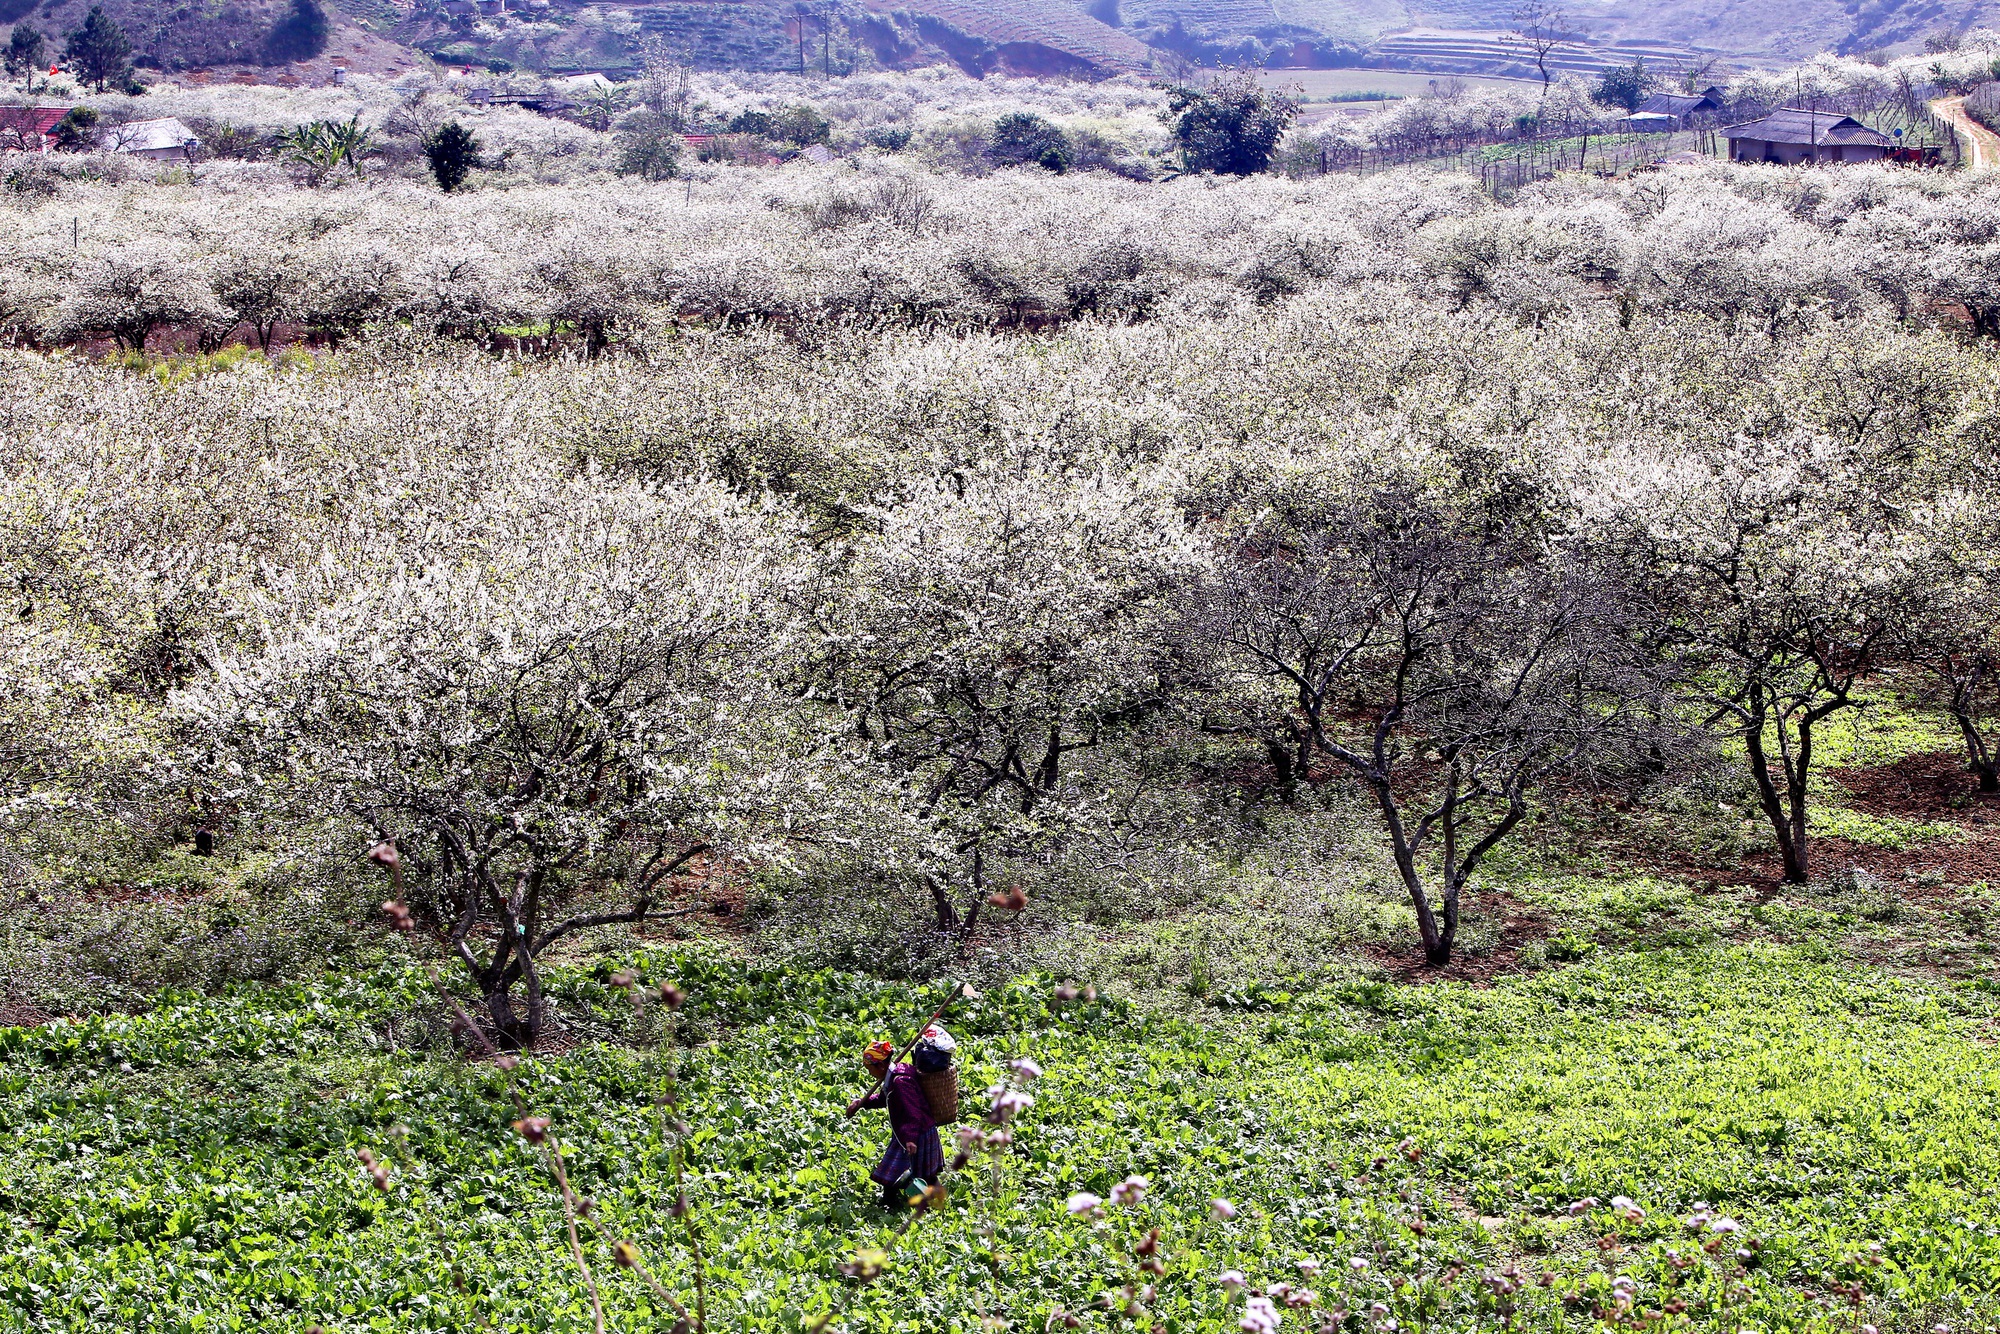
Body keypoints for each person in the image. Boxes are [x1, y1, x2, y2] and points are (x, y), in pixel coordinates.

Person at [844, 1039, 943, 1207]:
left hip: (915, 1132)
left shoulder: (900, 1082)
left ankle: (889, 1204)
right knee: (924, 1172)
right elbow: (885, 1098)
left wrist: (910, 1138)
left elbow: (913, 1111)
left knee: (896, 1172)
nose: (869, 1073)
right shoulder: (894, 1075)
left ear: (881, 1066)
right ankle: (932, 1199)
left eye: (870, 1069)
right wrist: (862, 1102)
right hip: (911, 1131)